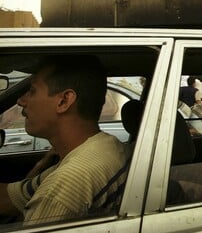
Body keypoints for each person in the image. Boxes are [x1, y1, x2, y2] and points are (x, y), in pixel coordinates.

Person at [0, 55, 130, 226]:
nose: (21, 101)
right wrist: (38, 168)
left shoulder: (63, 188)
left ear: (64, 101)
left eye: (32, 91)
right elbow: (9, 198)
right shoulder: (107, 145)